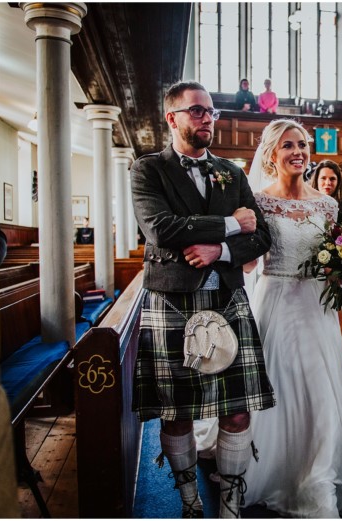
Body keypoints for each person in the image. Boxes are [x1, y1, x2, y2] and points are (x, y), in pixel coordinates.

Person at [131, 80, 275, 518]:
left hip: (228, 300)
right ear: (172, 118)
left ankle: (230, 499)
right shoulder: (148, 169)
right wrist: (231, 226)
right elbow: (161, 229)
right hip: (172, 300)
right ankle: (190, 500)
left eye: (210, 111)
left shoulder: (231, 172)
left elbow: (263, 235)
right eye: (196, 111)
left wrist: (221, 249)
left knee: (236, 413)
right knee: (176, 413)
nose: (207, 118)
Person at [240, 119, 342, 517]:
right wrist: (239, 231)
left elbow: (336, 262)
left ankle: (318, 477)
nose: (298, 151)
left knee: (320, 390)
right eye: (287, 146)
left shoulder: (328, 205)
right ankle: (276, 470)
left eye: (302, 144)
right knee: (278, 388)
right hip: (276, 298)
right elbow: (248, 264)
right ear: (271, 155)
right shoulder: (259, 202)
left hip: (318, 305)